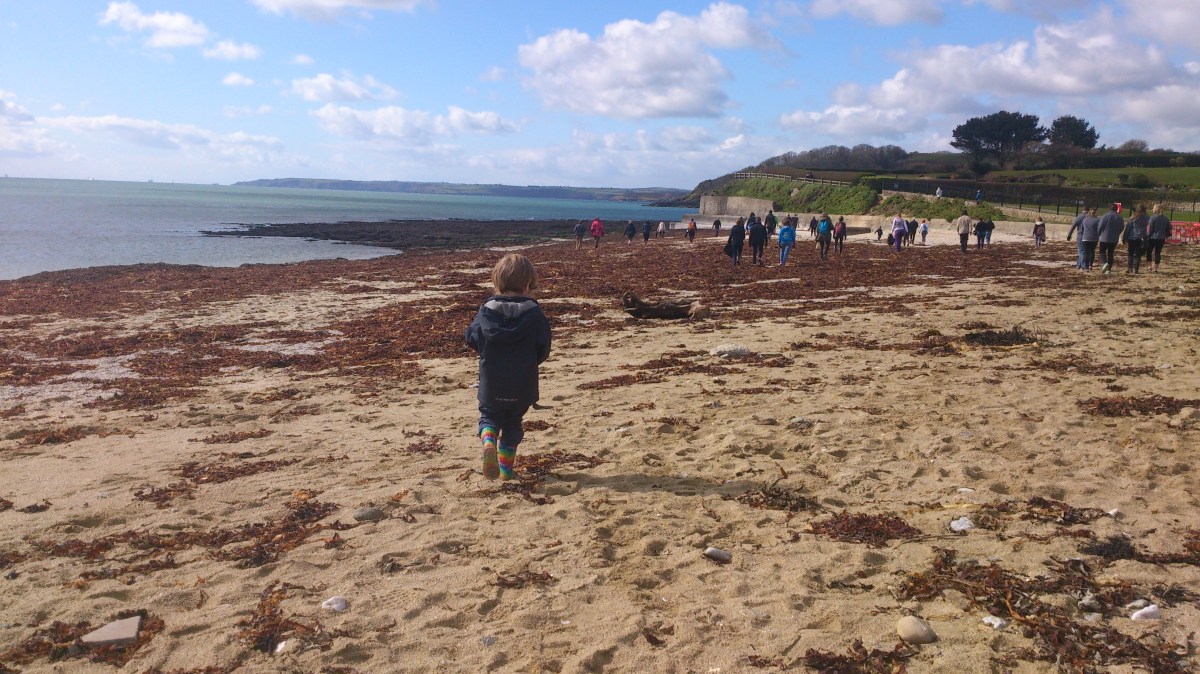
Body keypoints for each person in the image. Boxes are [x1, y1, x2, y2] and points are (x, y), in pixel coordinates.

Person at [465, 254, 552, 481]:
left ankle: (488, 440)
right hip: (522, 385)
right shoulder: (535, 315)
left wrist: (488, 352)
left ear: (497, 283)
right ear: (528, 285)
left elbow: (471, 337)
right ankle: (505, 470)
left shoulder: (486, 312)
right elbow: (543, 347)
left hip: (491, 383)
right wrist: (530, 361)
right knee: (513, 425)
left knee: (489, 417)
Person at [1096, 203, 1124, 274]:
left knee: (1102, 251)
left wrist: (1098, 234)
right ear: (1116, 209)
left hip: (1104, 237)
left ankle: (1105, 263)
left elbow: (1100, 226)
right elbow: (1122, 227)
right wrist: (1117, 233)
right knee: (1110, 253)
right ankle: (1109, 269)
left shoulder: (1105, 216)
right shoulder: (1119, 217)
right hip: (1114, 238)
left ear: (1109, 208)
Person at [1145, 204, 1172, 272]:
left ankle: (1149, 266)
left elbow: (1150, 230)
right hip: (1161, 238)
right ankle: (1156, 268)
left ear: (1156, 209)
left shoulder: (1152, 218)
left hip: (1152, 237)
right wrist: (1165, 234)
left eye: (1153, 208)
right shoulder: (1166, 218)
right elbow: (1170, 227)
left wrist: (1147, 237)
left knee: (1149, 251)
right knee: (1157, 252)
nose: (1152, 209)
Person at [1123, 205, 1148, 274]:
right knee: (1138, 255)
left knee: (1130, 253)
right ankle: (1136, 270)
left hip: (1132, 237)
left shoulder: (1133, 217)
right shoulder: (1147, 218)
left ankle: (1129, 268)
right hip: (1141, 238)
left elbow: (1128, 228)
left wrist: (1125, 237)